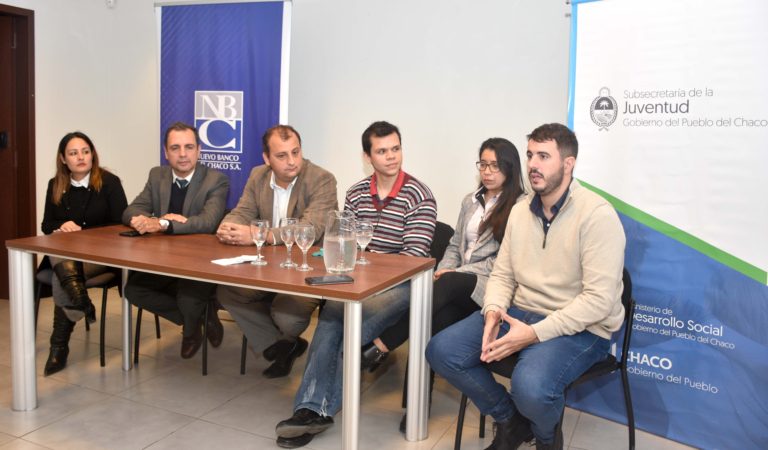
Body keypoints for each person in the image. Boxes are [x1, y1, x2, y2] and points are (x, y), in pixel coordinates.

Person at [426, 123, 626, 450]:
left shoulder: (597, 215)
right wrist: (492, 311)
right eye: (531, 154)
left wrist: (535, 333)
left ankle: (547, 439)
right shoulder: (520, 211)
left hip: (581, 327)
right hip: (519, 312)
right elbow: (503, 275)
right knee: (442, 351)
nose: (533, 164)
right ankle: (512, 421)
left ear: (568, 163)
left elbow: (599, 301)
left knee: (529, 386)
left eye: (544, 156)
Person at [274, 121, 437, 448]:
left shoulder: (419, 195)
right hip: (358, 281)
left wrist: (367, 265)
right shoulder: (357, 193)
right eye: (382, 151)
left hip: (403, 287)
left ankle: (314, 411)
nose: (391, 157)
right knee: (332, 317)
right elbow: (343, 242)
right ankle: (310, 410)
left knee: (346, 325)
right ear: (368, 156)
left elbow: (411, 260)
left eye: (395, 148)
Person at [361, 137, 526, 432]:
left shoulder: (521, 207)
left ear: (510, 169)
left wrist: (456, 273)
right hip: (459, 283)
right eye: (483, 164)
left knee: (442, 288)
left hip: (493, 287)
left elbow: (505, 262)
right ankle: (417, 406)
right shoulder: (470, 201)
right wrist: (448, 267)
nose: (488, 172)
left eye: (496, 166)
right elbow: (453, 244)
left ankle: (382, 344)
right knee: (430, 322)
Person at [215, 124, 337, 378]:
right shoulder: (258, 175)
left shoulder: (321, 179)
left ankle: (283, 340)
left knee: (287, 317)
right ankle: (281, 347)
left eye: (296, 152)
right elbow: (242, 211)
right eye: (282, 156)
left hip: (306, 269)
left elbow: (310, 229)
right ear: (267, 158)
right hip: (267, 267)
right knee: (227, 291)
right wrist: (228, 227)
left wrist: (260, 235)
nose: (292, 161)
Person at [123, 122, 229, 359]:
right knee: (133, 290)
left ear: (199, 150)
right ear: (166, 152)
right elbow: (131, 210)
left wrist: (164, 224)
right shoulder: (157, 175)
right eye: (175, 148)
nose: (183, 154)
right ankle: (199, 318)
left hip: (199, 261)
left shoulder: (216, 180)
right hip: (162, 259)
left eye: (189, 147)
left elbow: (208, 222)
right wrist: (141, 221)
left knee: (188, 298)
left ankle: (191, 330)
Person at [41, 131, 128, 376]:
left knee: (63, 273)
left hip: (101, 257)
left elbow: (120, 225)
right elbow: (46, 225)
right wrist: (62, 227)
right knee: (64, 259)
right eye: (73, 153)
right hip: (67, 255)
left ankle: (59, 346)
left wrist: (83, 232)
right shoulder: (55, 184)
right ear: (63, 159)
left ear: (92, 155)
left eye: (85, 151)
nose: (80, 157)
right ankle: (81, 302)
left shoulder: (109, 182)